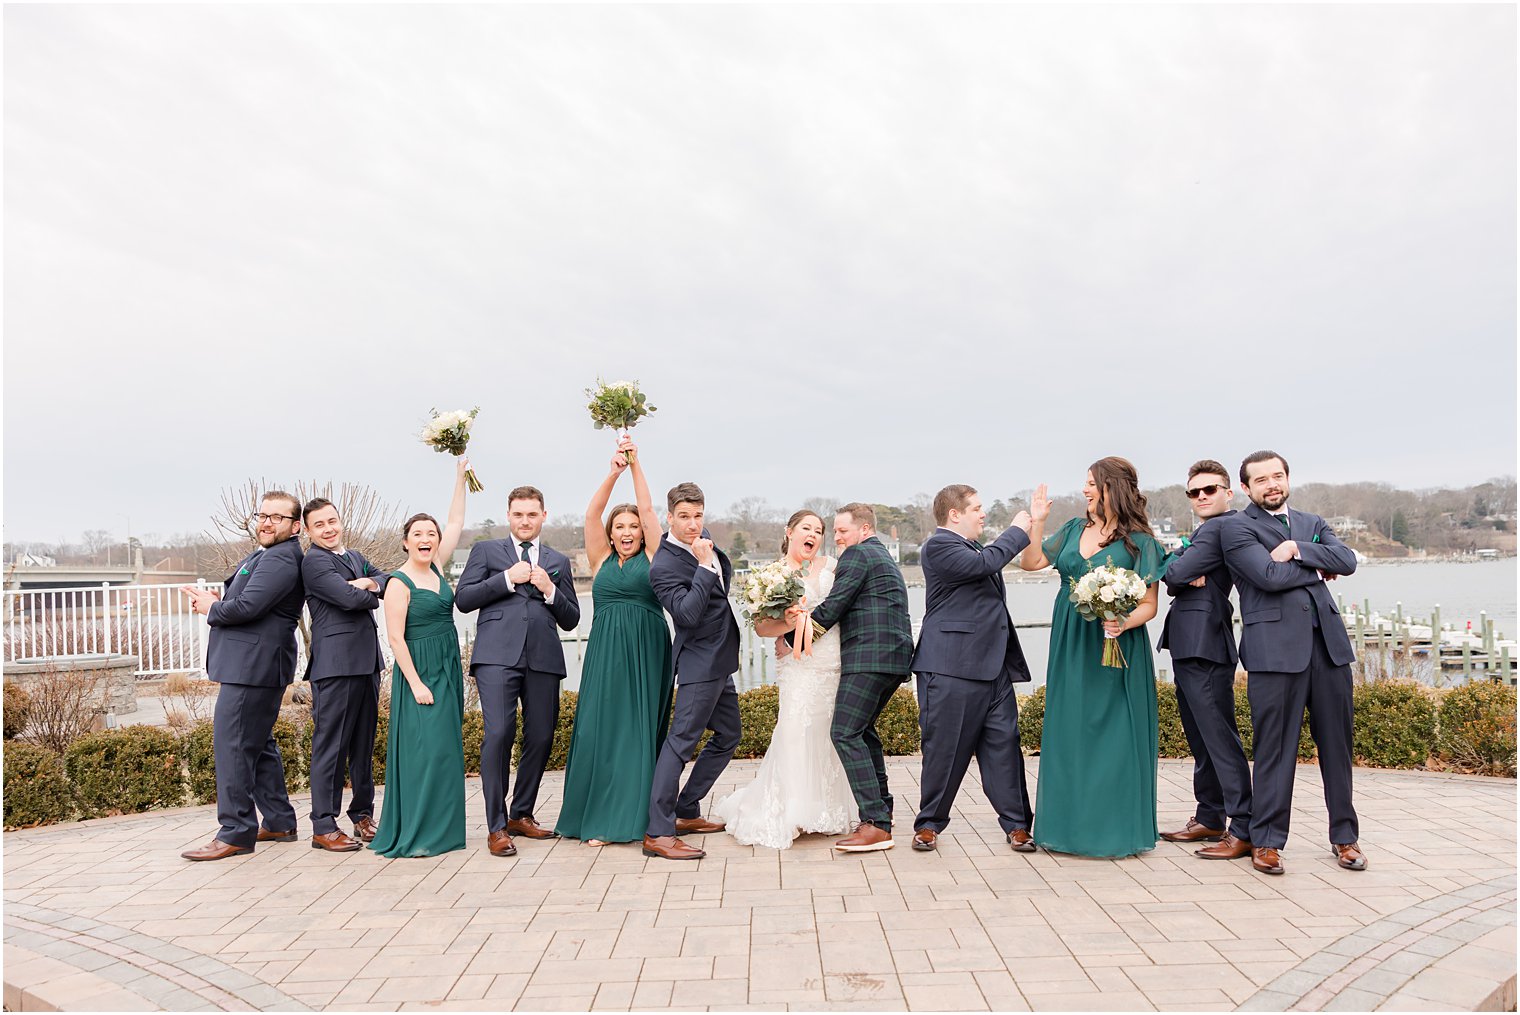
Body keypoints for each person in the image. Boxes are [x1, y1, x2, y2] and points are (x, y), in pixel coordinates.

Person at [1219, 450, 1363, 876]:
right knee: (1273, 751)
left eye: (1278, 476)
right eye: (1261, 479)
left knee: (1337, 748)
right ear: (1246, 488)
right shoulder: (1236, 527)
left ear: (1287, 479)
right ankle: (1266, 842)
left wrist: (1298, 548)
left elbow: (1348, 561)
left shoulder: (1312, 523)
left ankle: (1345, 838)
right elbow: (1268, 577)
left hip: (1329, 650)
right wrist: (1317, 567)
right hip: (1274, 654)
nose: (1272, 484)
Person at [1017, 458, 1168, 858]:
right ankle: (1068, 827)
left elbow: (1150, 605)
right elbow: (1030, 563)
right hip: (1071, 637)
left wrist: (1121, 621)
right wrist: (1037, 521)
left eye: (1091, 484)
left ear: (1112, 488)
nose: (1085, 490)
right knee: (1071, 728)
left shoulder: (1141, 541)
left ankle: (1114, 829)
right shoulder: (1071, 529)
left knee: (1115, 732)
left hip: (1117, 641)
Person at [711, 510, 855, 849]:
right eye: (807, 528)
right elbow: (763, 628)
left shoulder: (833, 568)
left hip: (833, 659)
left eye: (819, 531)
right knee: (795, 730)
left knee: (831, 732)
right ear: (789, 532)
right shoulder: (771, 575)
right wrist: (790, 624)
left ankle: (828, 809)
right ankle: (793, 810)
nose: (814, 535)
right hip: (798, 665)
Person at [555, 438, 673, 846]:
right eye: (619, 527)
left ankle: (638, 816)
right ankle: (600, 816)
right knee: (601, 729)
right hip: (605, 652)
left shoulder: (657, 556)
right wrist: (614, 472)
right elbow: (591, 513)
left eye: (633, 526)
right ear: (611, 533)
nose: (627, 531)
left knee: (638, 730)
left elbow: (649, 509)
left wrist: (637, 464)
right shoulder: (600, 559)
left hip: (648, 650)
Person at [456, 484, 581, 857]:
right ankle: (496, 826)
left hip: (543, 658)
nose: (525, 521)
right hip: (497, 656)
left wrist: (549, 589)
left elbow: (572, 618)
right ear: (509, 516)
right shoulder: (486, 551)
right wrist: (507, 578)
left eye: (532, 514)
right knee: (498, 733)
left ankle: (521, 814)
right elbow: (463, 599)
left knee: (541, 736)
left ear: (544, 516)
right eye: (518, 514)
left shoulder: (559, 561)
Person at [910, 485, 1037, 853]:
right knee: (945, 750)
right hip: (951, 667)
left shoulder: (973, 547)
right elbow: (986, 565)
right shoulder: (939, 546)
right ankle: (929, 824)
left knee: (1005, 747)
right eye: (977, 508)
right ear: (954, 514)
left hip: (994, 667)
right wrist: (1017, 530)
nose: (983, 514)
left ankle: (1017, 826)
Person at [180, 492, 305, 861]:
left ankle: (235, 830)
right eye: (262, 515)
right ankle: (280, 820)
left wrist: (211, 607)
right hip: (256, 665)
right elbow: (249, 595)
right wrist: (217, 597)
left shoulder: (282, 559)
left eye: (277, 517)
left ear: (295, 526)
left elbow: (249, 607)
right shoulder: (269, 553)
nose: (266, 522)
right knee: (257, 744)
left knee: (232, 746)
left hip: (253, 668)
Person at [795, 503, 915, 853]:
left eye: (841, 530)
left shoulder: (858, 555)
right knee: (863, 731)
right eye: (834, 531)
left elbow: (834, 605)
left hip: (868, 657)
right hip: (893, 659)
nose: (836, 537)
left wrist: (794, 640)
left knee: (844, 732)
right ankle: (883, 811)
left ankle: (876, 823)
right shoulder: (881, 557)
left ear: (864, 529)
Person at [369, 459, 470, 858]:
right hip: (420, 672)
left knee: (446, 751)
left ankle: (444, 831)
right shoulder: (399, 582)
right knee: (424, 752)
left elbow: (457, 521)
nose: (426, 539)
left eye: (431, 534)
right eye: (418, 534)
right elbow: (395, 638)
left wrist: (461, 476)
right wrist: (415, 683)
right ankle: (418, 831)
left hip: (447, 665)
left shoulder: (438, 567)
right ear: (406, 542)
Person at [1156, 461, 1253, 860]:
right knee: (1200, 737)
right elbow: (1175, 572)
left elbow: (1175, 573)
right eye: (1194, 492)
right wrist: (1178, 563)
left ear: (1229, 493)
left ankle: (1243, 826)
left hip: (1206, 643)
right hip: (1190, 641)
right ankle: (1210, 815)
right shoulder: (1205, 531)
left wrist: (1178, 564)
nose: (1201, 497)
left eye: (1209, 490)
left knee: (1218, 736)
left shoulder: (1221, 527)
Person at [643, 482, 741, 861]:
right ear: (669, 517)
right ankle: (659, 831)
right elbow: (685, 614)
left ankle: (686, 808)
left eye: (698, 516)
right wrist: (702, 565)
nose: (692, 524)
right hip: (699, 662)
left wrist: (707, 558)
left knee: (730, 734)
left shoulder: (706, 538)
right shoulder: (663, 565)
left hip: (721, 658)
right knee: (680, 743)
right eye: (683, 517)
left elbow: (721, 587)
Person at [301, 497, 390, 852]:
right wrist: (367, 590)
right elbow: (351, 600)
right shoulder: (313, 562)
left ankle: (362, 816)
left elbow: (387, 580)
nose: (328, 529)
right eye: (319, 524)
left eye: (332, 521)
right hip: (335, 667)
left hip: (367, 663)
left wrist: (366, 582)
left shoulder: (353, 557)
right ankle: (323, 825)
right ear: (308, 531)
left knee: (363, 745)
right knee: (331, 747)